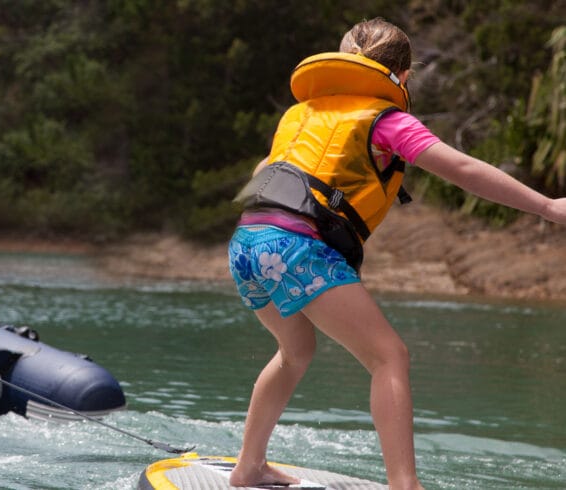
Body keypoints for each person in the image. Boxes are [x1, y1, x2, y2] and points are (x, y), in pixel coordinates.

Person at [228, 18, 566, 489]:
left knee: (295, 350)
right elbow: (464, 169)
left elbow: (265, 173)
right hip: (296, 247)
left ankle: (248, 467)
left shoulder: (298, 115)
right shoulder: (387, 120)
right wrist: (549, 206)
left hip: (246, 243)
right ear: (403, 77)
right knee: (390, 357)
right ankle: (405, 485)